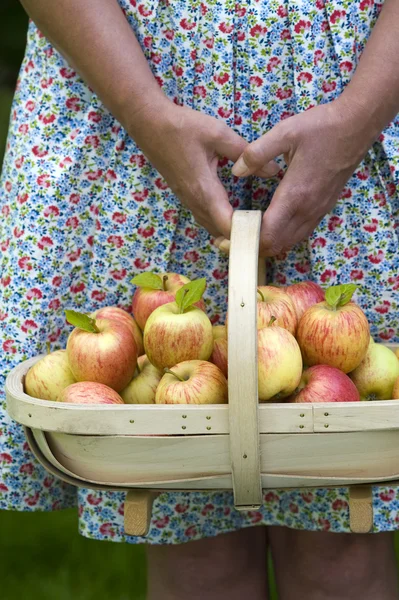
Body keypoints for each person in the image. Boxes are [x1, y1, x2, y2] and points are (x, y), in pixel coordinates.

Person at [1, 0, 399, 598]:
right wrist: (145, 112)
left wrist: (356, 118)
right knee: (189, 534)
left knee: (343, 537)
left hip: (363, 77)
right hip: (130, 76)